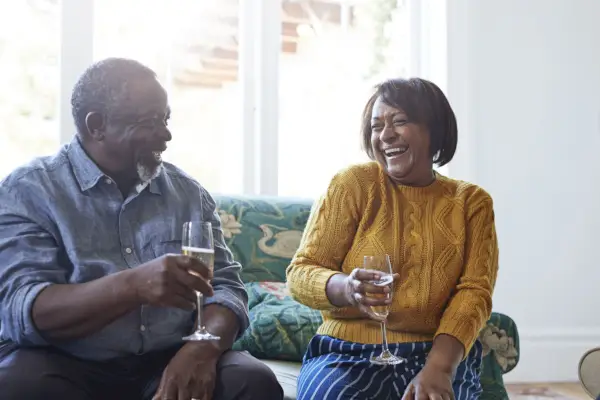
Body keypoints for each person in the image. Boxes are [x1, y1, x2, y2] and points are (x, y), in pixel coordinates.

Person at [0, 58, 283, 400]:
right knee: (19, 385)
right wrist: (133, 286)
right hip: (66, 361)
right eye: (150, 121)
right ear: (96, 125)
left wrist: (200, 349)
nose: (166, 134)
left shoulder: (188, 193)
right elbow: (22, 309)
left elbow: (225, 289)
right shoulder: (30, 191)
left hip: (170, 356)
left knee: (252, 382)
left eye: (166, 119)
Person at [287, 77, 499, 400]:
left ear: (434, 130)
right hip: (347, 352)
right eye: (376, 126)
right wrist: (347, 288)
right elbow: (301, 272)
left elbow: (474, 294)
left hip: (434, 355)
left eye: (399, 121)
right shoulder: (353, 185)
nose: (385, 135)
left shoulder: (471, 203)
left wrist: (439, 368)